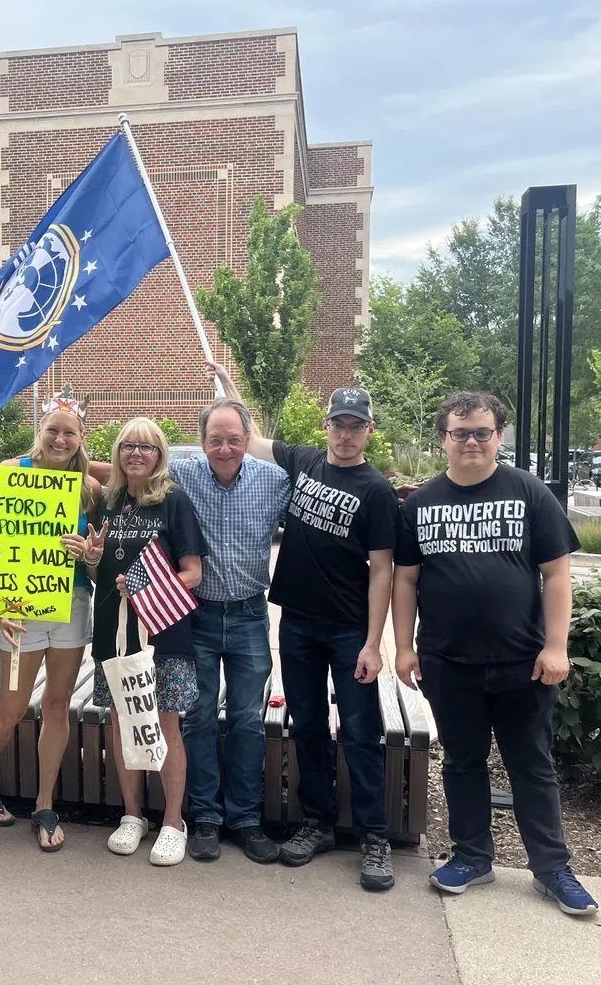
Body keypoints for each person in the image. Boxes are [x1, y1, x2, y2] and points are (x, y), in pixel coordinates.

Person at [392, 391, 599, 916]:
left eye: (482, 432)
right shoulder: (419, 504)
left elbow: (556, 574)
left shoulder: (528, 491)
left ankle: (552, 868)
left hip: (522, 662)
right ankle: (471, 857)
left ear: (498, 437)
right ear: (444, 438)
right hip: (447, 662)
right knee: (462, 763)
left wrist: (557, 646)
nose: (472, 442)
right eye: (460, 432)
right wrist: (403, 647)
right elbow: (405, 581)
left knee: (531, 765)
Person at [209, 362, 399, 891]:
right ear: (326, 426)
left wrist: (373, 643)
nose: (344, 433)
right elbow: (253, 440)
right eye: (338, 423)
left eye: (355, 425)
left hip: (348, 631)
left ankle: (374, 835)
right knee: (309, 725)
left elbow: (383, 569)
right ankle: (318, 821)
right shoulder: (307, 462)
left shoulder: (377, 490)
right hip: (296, 624)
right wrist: (228, 384)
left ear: (368, 430)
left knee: (361, 732)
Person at [0, 387, 102, 852]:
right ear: (38, 432)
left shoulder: (89, 489)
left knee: (58, 704)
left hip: (70, 605)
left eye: (69, 433)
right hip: (19, 610)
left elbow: (97, 563)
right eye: (52, 430)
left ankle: (45, 803)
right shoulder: (10, 473)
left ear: (81, 438)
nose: (60, 440)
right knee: (12, 707)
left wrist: (89, 556)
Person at [81, 418, 206, 867]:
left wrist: (142, 585)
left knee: (166, 725)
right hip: (113, 632)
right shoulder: (110, 501)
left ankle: (173, 821)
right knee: (120, 721)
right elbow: (101, 572)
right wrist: (94, 561)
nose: (137, 453)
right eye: (128, 446)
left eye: (147, 447)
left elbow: (193, 572)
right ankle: (132, 815)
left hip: (164, 633)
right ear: (117, 453)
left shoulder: (174, 501)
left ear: (160, 455)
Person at [170, 398, 288, 863]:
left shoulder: (274, 480)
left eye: (234, 439)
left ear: (247, 440)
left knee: (246, 719)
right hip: (195, 615)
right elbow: (127, 465)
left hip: (248, 616)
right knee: (196, 717)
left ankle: (245, 818)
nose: (225, 448)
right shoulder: (182, 475)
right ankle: (205, 817)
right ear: (202, 443)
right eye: (215, 439)